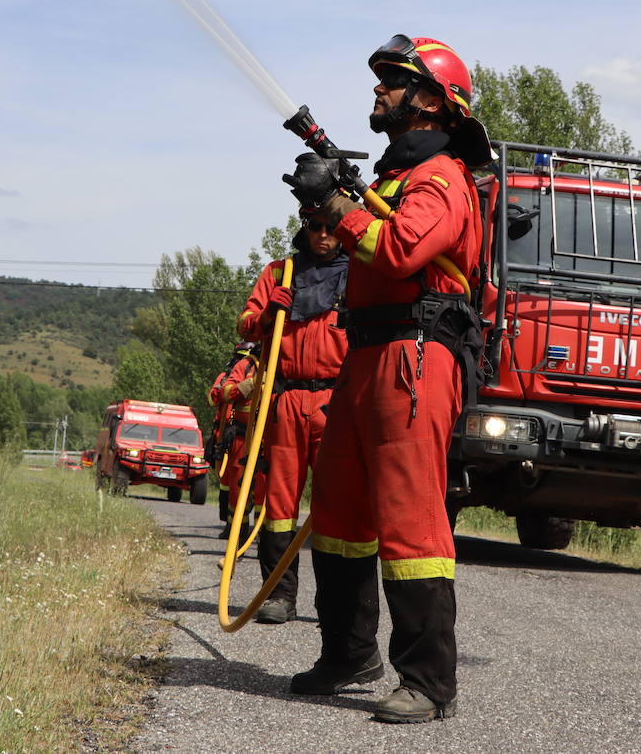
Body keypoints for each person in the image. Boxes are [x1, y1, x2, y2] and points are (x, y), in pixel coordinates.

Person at [281, 35, 491, 723]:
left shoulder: (443, 180)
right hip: (366, 355)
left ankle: (429, 683)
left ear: (432, 102)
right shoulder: (396, 182)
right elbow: (369, 232)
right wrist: (334, 201)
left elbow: (400, 249)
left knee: (409, 516)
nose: (378, 91)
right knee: (339, 509)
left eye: (393, 82)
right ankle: (348, 653)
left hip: (416, 355)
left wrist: (340, 210)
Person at [236, 211, 349, 624]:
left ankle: (336, 603)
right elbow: (246, 326)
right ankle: (279, 597)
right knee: (280, 505)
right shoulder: (279, 273)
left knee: (337, 506)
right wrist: (268, 313)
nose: (323, 236)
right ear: (305, 228)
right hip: (286, 401)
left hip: (336, 403)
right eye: (316, 228)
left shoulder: (357, 277)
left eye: (331, 229)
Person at [206, 342, 259, 538]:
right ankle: (231, 526)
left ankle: (254, 532)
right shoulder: (227, 376)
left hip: (253, 435)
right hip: (230, 434)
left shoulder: (265, 368)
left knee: (252, 484)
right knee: (228, 481)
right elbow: (213, 399)